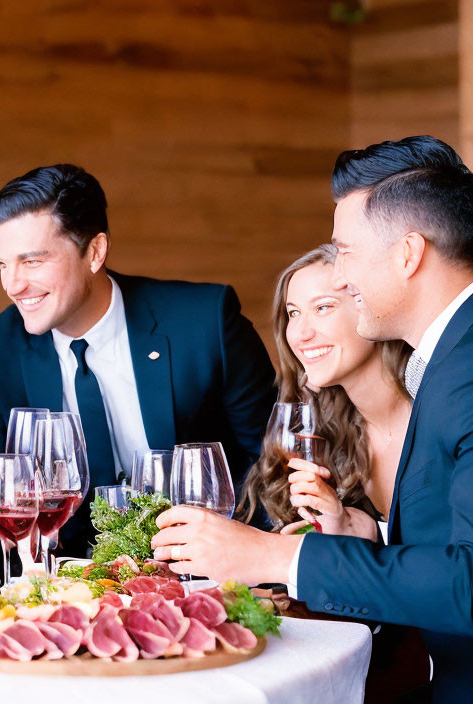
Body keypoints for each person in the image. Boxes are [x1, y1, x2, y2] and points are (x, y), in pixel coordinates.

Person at [152, 135, 473, 701]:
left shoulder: (465, 368)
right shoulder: (447, 358)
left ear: (408, 254)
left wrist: (273, 554)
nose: (342, 278)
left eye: (344, 251)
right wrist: (368, 534)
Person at [0, 164, 276, 558]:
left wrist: (250, 562)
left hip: (206, 568)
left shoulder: (205, 321)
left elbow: (270, 462)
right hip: (69, 577)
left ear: (95, 252)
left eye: (32, 262)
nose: (12, 285)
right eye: (2, 264)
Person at [239, 244, 412, 540]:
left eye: (323, 308)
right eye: (293, 313)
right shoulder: (317, 424)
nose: (301, 333)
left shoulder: (440, 407)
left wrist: (368, 536)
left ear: (371, 307)